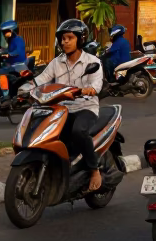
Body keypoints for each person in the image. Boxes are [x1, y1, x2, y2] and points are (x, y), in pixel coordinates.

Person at [35, 19, 105, 192]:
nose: (64, 42)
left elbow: (96, 85)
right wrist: (25, 87)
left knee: (78, 131)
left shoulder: (92, 61)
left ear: (80, 39)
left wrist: (88, 90)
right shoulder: (56, 62)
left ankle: (94, 170)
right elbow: (41, 80)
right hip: (61, 108)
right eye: (62, 38)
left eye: (69, 38)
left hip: (85, 107)